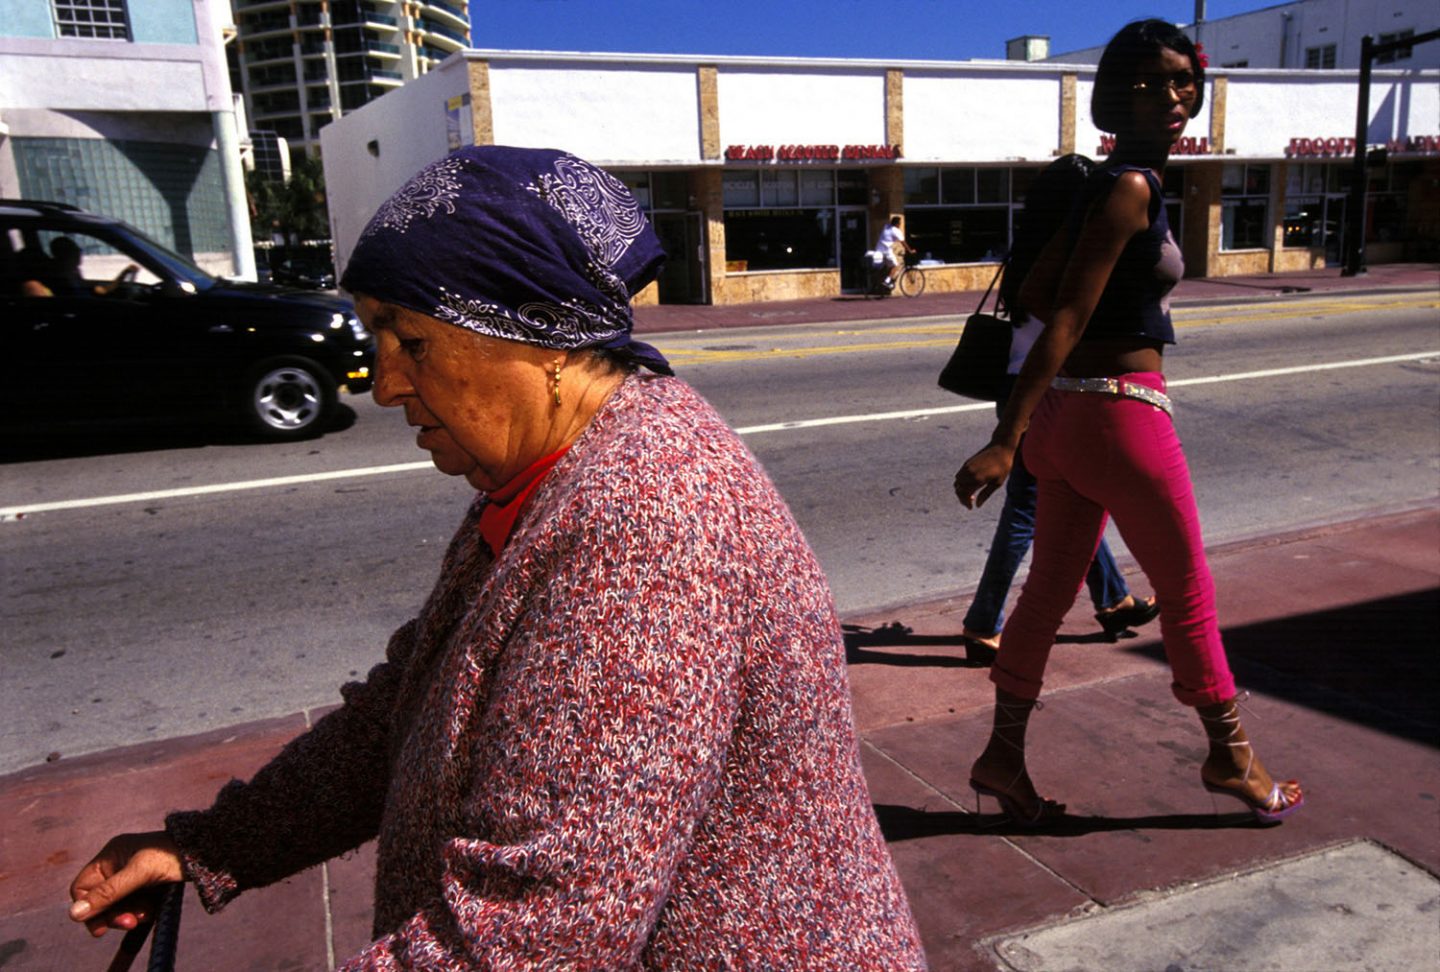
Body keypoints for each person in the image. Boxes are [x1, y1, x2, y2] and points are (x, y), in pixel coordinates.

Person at [67, 146, 926, 969]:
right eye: (377, 339)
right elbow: (407, 708)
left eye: (412, 341)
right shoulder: (555, 468)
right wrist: (212, 846)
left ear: (538, 337)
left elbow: (535, 933)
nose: (386, 382)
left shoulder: (642, 533)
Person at [953, 21, 1303, 827]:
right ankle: (1231, 756)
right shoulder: (1131, 186)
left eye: (1181, 80)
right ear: (1116, 93)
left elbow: (1039, 296)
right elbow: (1067, 312)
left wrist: (1027, 429)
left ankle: (1003, 757)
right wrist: (1006, 437)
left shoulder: (1104, 180)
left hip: (1068, 423)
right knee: (1188, 594)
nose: (1170, 96)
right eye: (1147, 83)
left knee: (1045, 597)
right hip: (1120, 416)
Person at [962, 155, 1159, 660]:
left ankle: (1113, 598)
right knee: (1027, 511)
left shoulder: (1031, 243)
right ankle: (984, 621)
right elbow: (1067, 322)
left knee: (1070, 497)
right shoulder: (1074, 247)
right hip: (1047, 389)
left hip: (1019, 383)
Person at [875, 215, 914, 288]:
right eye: (899, 223)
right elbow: (903, 242)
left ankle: (885, 280)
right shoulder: (896, 231)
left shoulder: (886, 226)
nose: (900, 224)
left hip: (878, 249)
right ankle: (887, 281)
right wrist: (910, 250)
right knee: (896, 265)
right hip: (886, 250)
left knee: (889, 265)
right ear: (896, 224)